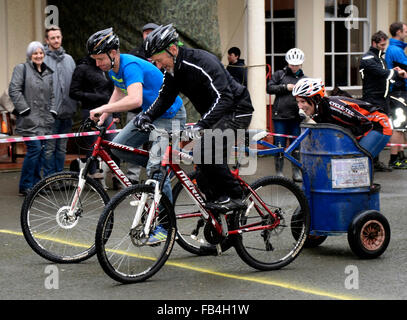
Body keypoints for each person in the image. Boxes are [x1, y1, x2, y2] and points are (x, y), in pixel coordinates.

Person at [138, 24, 254, 212]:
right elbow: (165, 97)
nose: (159, 66)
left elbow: (225, 97)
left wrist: (201, 125)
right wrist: (147, 116)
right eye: (155, 62)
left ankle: (236, 196)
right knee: (203, 174)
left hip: (236, 110)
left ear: (173, 49)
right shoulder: (173, 71)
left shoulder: (202, 61)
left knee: (205, 150)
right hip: (215, 114)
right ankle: (218, 221)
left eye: (160, 60)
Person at [87, 28, 186, 203]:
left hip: (172, 115)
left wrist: (102, 107)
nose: (97, 64)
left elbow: (135, 100)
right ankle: (159, 167)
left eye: (100, 59)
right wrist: (103, 116)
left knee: (156, 169)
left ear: (113, 53)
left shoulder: (130, 66)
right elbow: (119, 90)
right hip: (152, 114)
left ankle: (165, 223)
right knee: (118, 146)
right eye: (95, 60)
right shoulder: (112, 69)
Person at [292, 78, 392, 160]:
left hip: (378, 124)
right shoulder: (318, 112)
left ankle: (366, 184)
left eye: (303, 101)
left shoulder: (335, 107)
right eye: (298, 102)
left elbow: (365, 125)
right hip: (363, 126)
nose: (300, 106)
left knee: (357, 160)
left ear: (316, 99)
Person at [8, 42, 55, 196]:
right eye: (35, 53)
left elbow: (53, 94)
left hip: (45, 120)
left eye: (41, 53)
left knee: (41, 152)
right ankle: (25, 185)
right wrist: (25, 109)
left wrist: (53, 111)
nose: (39, 56)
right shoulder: (21, 69)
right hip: (29, 120)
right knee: (34, 150)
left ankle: (36, 185)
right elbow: (14, 90)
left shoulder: (48, 72)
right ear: (30, 55)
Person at [69, 54, 121, 184]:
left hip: (108, 110)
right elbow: (73, 92)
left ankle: (116, 173)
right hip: (91, 111)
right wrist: (95, 97)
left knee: (115, 142)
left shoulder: (108, 68)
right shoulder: (82, 68)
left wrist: (116, 114)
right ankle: (93, 173)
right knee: (92, 144)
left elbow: (114, 91)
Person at [359, 30, 407, 172]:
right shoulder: (368, 58)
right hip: (373, 101)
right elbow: (381, 74)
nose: (383, 47)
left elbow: (387, 76)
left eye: (385, 44)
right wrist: (396, 72)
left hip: (382, 100)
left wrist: (395, 72)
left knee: (381, 131)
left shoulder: (380, 58)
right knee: (374, 131)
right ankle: (371, 162)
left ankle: (375, 161)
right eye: (381, 44)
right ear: (374, 43)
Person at [126, 22, 160, 184]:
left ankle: (156, 177)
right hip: (137, 109)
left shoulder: (163, 54)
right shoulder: (134, 55)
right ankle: (132, 178)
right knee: (133, 145)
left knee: (157, 145)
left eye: (151, 32)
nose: (148, 35)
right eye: (145, 33)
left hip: (158, 109)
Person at [267, 48, 306, 182]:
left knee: (296, 146)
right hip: (280, 117)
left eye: (296, 65)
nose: (294, 67)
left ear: (301, 64)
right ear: (288, 63)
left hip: (296, 117)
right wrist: (285, 87)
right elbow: (269, 88)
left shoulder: (304, 79)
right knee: (279, 145)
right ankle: (279, 172)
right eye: (292, 64)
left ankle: (296, 172)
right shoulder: (279, 75)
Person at [43, 26, 77, 177]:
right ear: (47, 40)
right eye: (52, 38)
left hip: (67, 112)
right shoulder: (41, 59)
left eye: (58, 37)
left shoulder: (69, 59)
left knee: (62, 148)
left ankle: (59, 177)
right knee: (49, 148)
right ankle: (49, 178)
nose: (56, 40)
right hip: (50, 113)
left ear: (61, 37)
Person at [385, 22, 407, 169]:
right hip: (398, 93)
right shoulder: (395, 50)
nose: (406, 33)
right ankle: (394, 159)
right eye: (405, 30)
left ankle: (400, 156)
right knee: (399, 126)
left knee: (402, 126)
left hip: (398, 92)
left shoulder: (396, 48)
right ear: (398, 32)